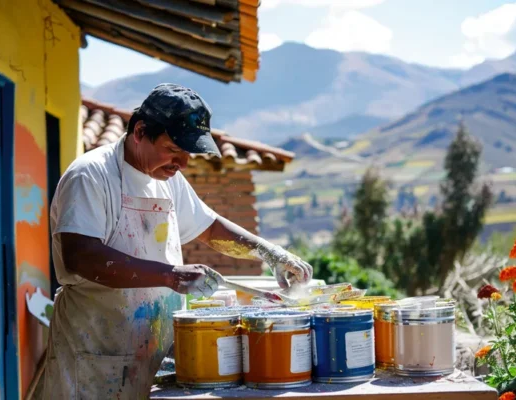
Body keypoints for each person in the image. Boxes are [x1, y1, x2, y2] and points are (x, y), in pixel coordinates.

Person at [41, 83, 313, 399]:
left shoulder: (168, 180)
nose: (182, 163)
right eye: (173, 150)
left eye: (187, 154)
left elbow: (209, 228)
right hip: (98, 351)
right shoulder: (91, 175)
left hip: (155, 351)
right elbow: (81, 256)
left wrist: (269, 252)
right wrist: (169, 275)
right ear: (140, 131)